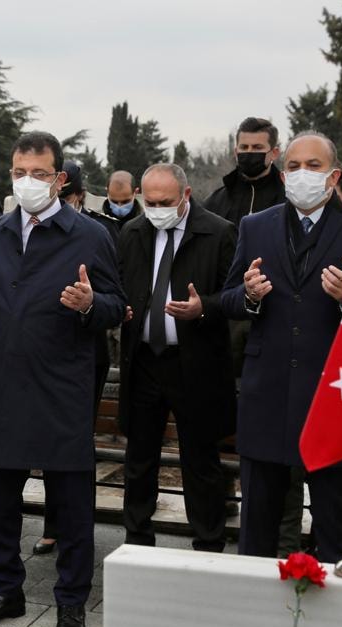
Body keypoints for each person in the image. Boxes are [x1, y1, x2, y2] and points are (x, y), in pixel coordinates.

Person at [0, 131, 126, 627]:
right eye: (20, 172)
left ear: (60, 179)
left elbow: (116, 305)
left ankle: (70, 603)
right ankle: (5, 590)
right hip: (2, 386)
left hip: (62, 389)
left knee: (71, 506)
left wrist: (89, 303)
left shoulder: (89, 235)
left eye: (39, 174)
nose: (28, 182)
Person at [221, 131, 342, 564]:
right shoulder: (255, 226)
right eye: (294, 166)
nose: (302, 174)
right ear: (283, 177)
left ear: (334, 175)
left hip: (336, 397)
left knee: (335, 528)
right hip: (267, 396)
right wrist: (248, 294)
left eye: (314, 166)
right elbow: (227, 297)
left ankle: (333, 621)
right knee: (258, 531)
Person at [118, 163, 236, 552]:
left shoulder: (218, 233)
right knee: (139, 456)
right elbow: (123, 286)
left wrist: (205, 309)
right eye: (148, 201)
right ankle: (136, 537)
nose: (155, 209)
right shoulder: (133, 232)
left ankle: (208, 540)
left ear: (185, 196)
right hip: (144, 361)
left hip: (195, 363)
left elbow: (236, 299)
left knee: (200, 459)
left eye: (164, 202)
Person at [32, 161, 118, 556]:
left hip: (85, 351)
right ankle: (53, 524)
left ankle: (76, 525)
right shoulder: (29, 229)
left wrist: (94, 303)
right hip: (42, 350)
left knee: (75, 441)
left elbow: (115, 294)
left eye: (66, 197)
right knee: (47, 439)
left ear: (77, 195)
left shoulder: (100, 231)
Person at [204, 117, 286, 230]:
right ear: (236, 152)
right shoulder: (215, 202)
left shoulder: (287, 199)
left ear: (274, 153)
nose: (249, 152)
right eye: (244, 147)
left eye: (257, 147)